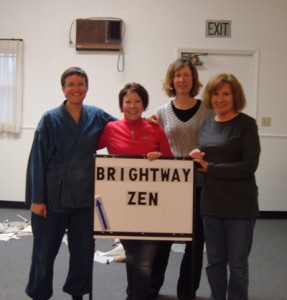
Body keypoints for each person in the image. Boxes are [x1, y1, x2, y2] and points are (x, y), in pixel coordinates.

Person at [25, 67, 116, 300]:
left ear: (87, 87)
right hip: (52, 197)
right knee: (44, 254)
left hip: (85, 198)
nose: (76, 89)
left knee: (83, 253)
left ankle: (78, 293)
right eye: (71, 84)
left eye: (81, 84)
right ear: (63, 89)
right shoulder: (50, 118)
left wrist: (149, 123)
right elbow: (37, 159)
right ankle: (39, 294)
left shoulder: (96, 115)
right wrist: (36, 199)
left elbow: (123, 128)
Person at [97, 82, 173, 300]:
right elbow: (88, 146)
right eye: (127, 101)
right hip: (121, 204)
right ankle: (134, 294)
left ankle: (137, 296)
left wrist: (159, 159)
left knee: (146, 259)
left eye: (137, 101)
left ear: (144, 104)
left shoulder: (155, 129)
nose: (132, 106)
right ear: (121, 105)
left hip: (152, 204)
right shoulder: (110, 129)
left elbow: (170, 162)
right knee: (131, 256)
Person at [189, 73, 260, 300]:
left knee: (237, 266)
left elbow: (249, 166)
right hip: (211, 203)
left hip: (240, 205)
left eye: (226, 94)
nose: (220, 99)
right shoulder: (208, 124)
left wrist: (210, 167)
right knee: (214, 262)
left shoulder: (246, 124)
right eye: (216, 93)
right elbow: (204, 156)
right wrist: (196, 155)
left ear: (235, 96)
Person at [149, 57, 214, 300]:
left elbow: (215, 142)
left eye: (186, 75)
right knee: (162, 241)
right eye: (177, 75)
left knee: (195, 242)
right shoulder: (161, 112)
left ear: (193, 79)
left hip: (198, 184)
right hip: (170, 185)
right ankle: (153, 287)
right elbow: (154, 141)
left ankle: (186, 291)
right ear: (171, 80)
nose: (182, 80)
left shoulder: (207, 110)